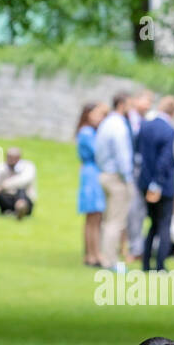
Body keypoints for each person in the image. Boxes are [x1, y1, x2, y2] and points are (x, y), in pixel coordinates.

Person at [95, 93, 135, 268]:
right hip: (116, 177)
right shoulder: (119, 126)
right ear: (122, 104)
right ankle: (110, 260)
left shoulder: (106, 123)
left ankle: (107, 257)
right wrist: (127, 177)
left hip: (104, 173)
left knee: (108, 220)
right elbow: (122, 154)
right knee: (115, 221)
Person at [138, 95, 174, 271]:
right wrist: (158, 182)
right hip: (162, 185)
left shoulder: (146, 126)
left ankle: (146, 263)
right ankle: (160, 264)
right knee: (163, 225)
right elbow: (165, 159)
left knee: (153, 224)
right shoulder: (168, 130)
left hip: (145, 183)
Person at [76, 102, 108, 267]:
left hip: (91, 172)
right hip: (92, 174)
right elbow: (99, 152)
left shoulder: (88, 132)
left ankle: (92, 253)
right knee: (93, 216)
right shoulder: (87, 132)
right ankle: (93, 254)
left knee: (94, 218)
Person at [126, 90, 154, 260]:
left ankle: (136, 248)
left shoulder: (145, 122)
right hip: (129, 171)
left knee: (138, 211)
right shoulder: (128, 120)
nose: (149, 105)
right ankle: (132, 248)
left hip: (141, 172)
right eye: (146, 100)